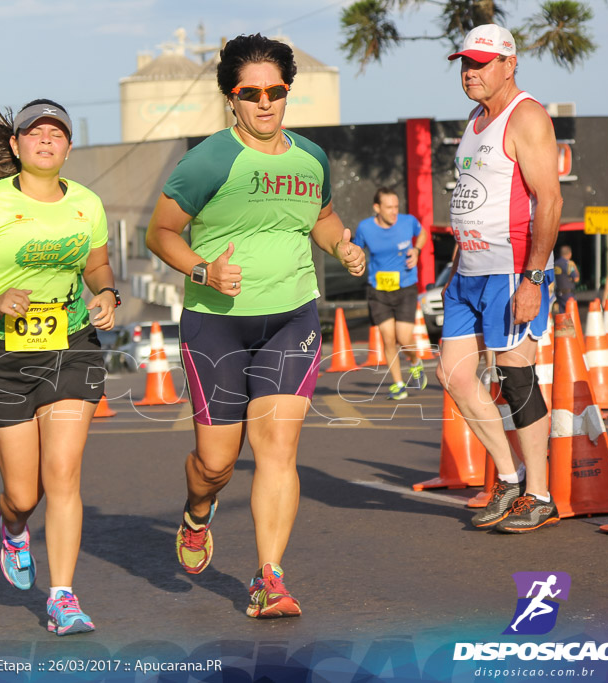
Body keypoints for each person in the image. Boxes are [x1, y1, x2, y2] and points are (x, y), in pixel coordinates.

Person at [145, 33, 365, 619]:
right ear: (231, 99)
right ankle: (197, 514)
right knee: (216, 463)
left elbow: (321, 218)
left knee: (278, 451)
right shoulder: (210, 160)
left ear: (288, 92)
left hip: (291, 318)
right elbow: (160, 232)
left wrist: (343, 245)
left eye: (276, 91)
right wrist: (203, 269)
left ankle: (270, 577)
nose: (265, 103)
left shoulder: (310, 158)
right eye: (251, 93)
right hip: (217, 325)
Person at [0, 97, 118, 635]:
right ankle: (13, 527)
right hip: (1, 356)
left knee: (63, 473)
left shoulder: (87, 203)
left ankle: (62, 596)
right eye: (33, 134)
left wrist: (105, 291)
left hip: (71, 345)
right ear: (15, 146)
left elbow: (97, 262)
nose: (45, 141)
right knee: (24, 494)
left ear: (68, 146)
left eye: (55, 133)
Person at [436, 24, 561, 534]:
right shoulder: (474, 117)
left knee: (516, 376)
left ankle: (540, 495)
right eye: (465, 63)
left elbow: (550, 200)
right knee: (454, 376)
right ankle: (509, 480)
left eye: (481, 63)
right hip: (468, 271)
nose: (470, 72)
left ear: (510, 64)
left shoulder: (526, 115)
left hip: (512, 271)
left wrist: (533, 277)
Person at [352, 187, 429, 400]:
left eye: (396, 207)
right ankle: (398, 384)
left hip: (405, 287)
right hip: (378, 290)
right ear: (377, 208)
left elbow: (422, 233)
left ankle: (414, 361)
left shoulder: (408, 222)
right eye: (389, 207)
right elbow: (356, 249)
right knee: (388, 339)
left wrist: (417, 250)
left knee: (404, 338)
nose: (394, 211)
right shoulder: (365, 228)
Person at [553, 245, 580, 311]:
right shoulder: (569, 264)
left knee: (561, 314)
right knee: (571, 314)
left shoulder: (555, 263)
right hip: (568, 294)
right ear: (570, 254)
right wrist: (575, 267)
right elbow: (576, 278)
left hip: (558, 293)